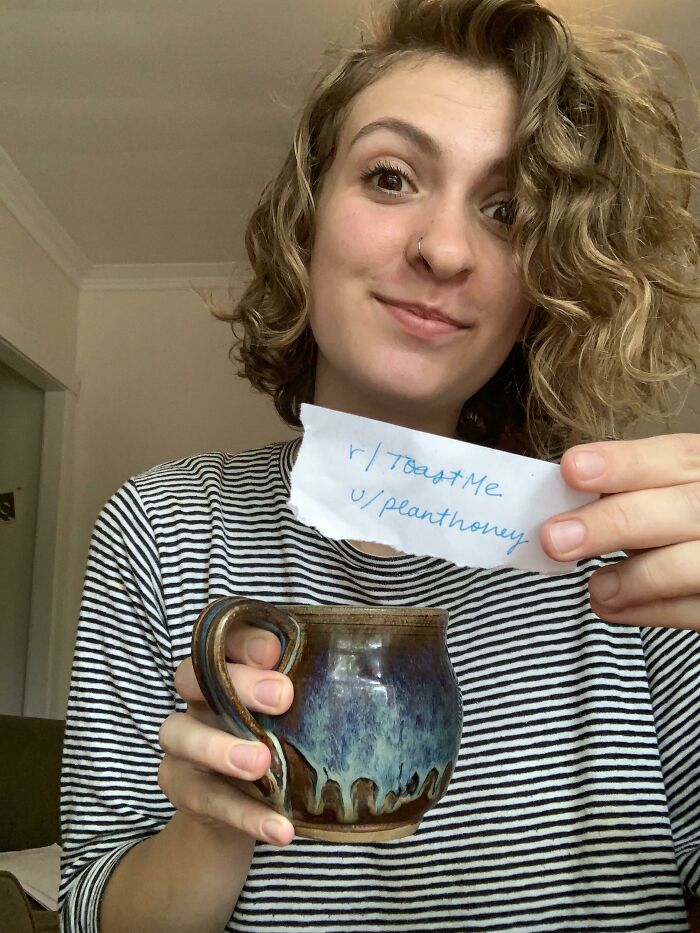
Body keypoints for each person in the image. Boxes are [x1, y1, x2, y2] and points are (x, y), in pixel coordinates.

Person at [59, 0, 700, 930]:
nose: (442, 249)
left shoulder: (640, 558)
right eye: (392, 176)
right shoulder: (166, 526)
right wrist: (213, 822)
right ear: (308, 217)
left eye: (509, 210)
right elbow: (90, 910)